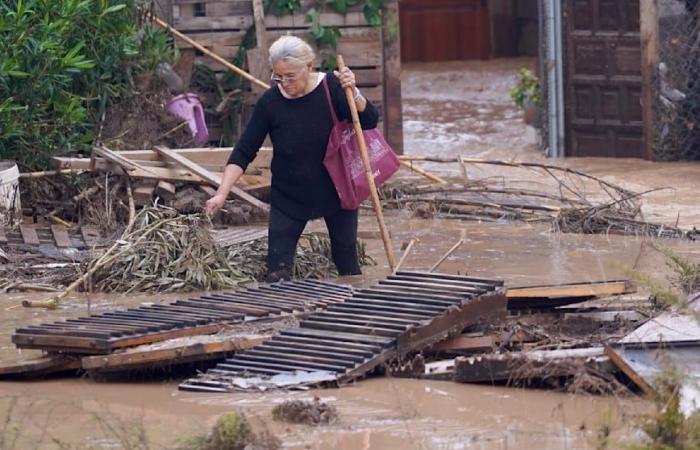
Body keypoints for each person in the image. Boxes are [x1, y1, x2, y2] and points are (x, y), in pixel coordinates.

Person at [205, 36, 379, 281]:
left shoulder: (333, 87)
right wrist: (222, 192)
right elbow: (244, 151)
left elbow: (370, 120)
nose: (284, 83)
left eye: (290, 76)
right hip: (289, 197)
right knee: (277, 271)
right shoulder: (270, 103)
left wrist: (355, 93)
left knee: (348, 267)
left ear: (308, 66)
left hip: (337, 192)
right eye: (278, 77)